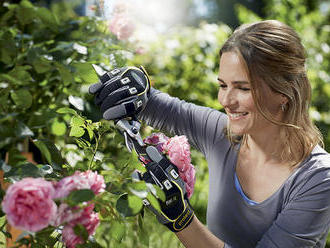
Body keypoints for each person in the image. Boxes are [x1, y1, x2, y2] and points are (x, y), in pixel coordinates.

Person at [89, 20, 330, 248]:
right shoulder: (222, 134)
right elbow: (154, 104)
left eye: (243, 88)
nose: (225, 100)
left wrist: (182, 220)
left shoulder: (318, 178)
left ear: (283, 93)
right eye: (223, 85)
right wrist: (133, 83)